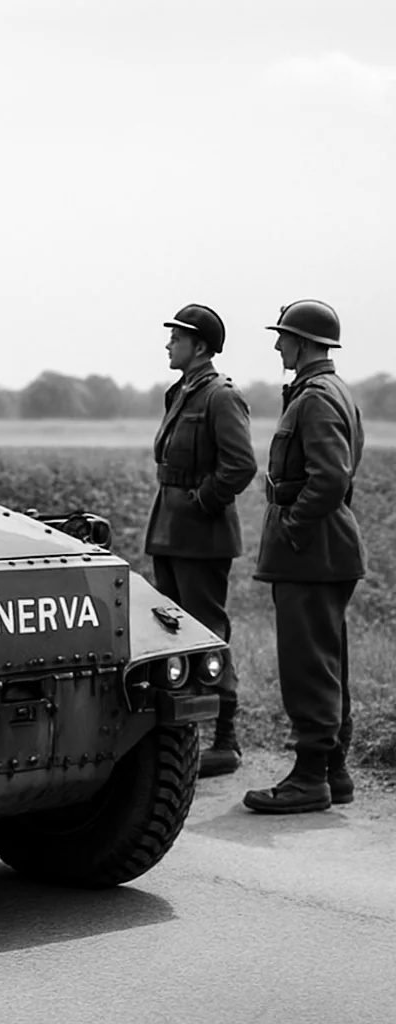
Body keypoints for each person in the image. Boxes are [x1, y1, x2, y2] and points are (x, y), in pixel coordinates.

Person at [244, 299, 365, 814]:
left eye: (284, 337)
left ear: (306, 342)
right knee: (326, 659)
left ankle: (310, 777)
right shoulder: (331, 390)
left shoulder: (315, 397)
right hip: (324, 547)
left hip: (311, 549)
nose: (278, 345)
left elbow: (331, 477)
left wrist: (293, 527)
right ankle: (333, 771)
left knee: (306, 664)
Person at [143, 304, 257, 777]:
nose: (169, 344)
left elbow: (241, 464)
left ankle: (225, 740)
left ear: (201, 347)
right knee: (171, 633)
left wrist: (202, 500)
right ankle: (180, 737)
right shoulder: (183, 391)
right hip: (171, 528)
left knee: (208, 632)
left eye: (177, 337)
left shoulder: (220, 396)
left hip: (200, 532)